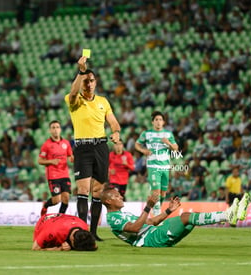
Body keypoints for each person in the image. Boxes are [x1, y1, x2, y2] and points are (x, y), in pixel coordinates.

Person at [64, 56, 121, 241]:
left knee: (97, 192)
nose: (88, 84)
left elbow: (113, 122)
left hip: (101, 147)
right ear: (81, 82)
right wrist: (81, 72)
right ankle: (82, 231)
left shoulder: (103, 101)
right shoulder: (74, 100)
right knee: (82, 190)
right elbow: (72, 93)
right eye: (85, 81)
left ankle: (93, 233)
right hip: (82, 148)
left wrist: (116, 133)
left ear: (96, 82)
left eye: (91, 80)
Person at [101, 187, 250, 248]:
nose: (121, 196)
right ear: (108, 201)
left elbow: (151, 221)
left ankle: (231, 214)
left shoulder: (122, 214)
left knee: (189, 219)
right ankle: (228, 215)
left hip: (154, 232)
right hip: (149, 240)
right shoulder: (113, 218)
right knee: (186, 218)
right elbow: (134, 229)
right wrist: (148, 206)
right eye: (116, 196)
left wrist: (168, 210)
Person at [135, 111, 179, 215]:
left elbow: (176, 149)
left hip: (165, 166)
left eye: (160, 120)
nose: (158, 122)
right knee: (156, 192)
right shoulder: (146, 133)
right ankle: (157, 216)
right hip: (153, 165)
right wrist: (144, 151)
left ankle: (155, 210)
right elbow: (137, 144)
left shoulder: (168, 134)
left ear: (163, 122)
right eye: (156, 120)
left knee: (163, 192)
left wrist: (168, 143)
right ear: (152, 122)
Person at [38, 120, 74, 215]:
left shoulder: (66, 143)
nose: (55, 130)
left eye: (57, 127)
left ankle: (60, 217)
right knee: (56, 200)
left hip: (64, 174)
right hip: (53, 176)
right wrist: (51, 161)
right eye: (53, 128)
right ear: (50, 130)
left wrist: (72, 158)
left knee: (66, 198)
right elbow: (40, 160)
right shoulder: (46, 145)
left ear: (60, 129)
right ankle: (45, 206)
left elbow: (70, 155)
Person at [32, 213, 97, 251]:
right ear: (72, 239)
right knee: (47, 245)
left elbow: (93, 245)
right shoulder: (52, 232)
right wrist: (59, 249)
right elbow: (35, 248)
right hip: (45, 221)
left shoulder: (85, 226)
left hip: (63, 219)